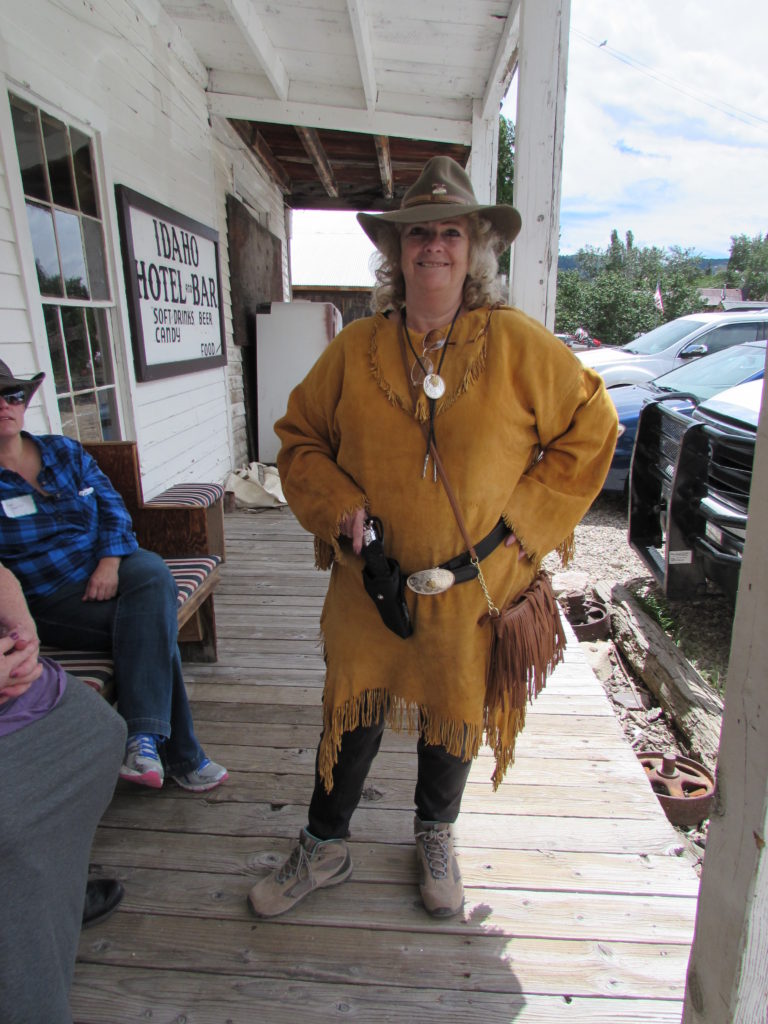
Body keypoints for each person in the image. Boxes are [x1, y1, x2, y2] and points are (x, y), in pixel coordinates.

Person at [247, 156, 618, 920]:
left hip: (471, 587)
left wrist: (524, 530)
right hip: (367, 584)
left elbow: (594, 425)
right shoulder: (354, 350)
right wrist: (341, 505)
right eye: (419, 234)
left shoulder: (517, 345)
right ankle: (324, 844)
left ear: (475, 247)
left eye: (450, 232)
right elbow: (298, 442)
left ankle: (435, 834)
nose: (434, 248)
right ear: (397, 250)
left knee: (454, 713)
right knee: (350, 712)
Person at [0, 361, 227, 793]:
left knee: (153, 573)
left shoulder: (62, 451)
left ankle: (144, 744)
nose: (5, 405)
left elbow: (113, 508)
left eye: (12, 395)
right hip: (52, 599)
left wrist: (108, 561)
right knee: (151, 630)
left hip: (116, 567)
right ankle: (177, 753)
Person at [0, 562, 126, 1024]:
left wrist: (23, 640)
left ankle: (58, 897)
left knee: (100, 731)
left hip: (20, 684)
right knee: (12, 825)